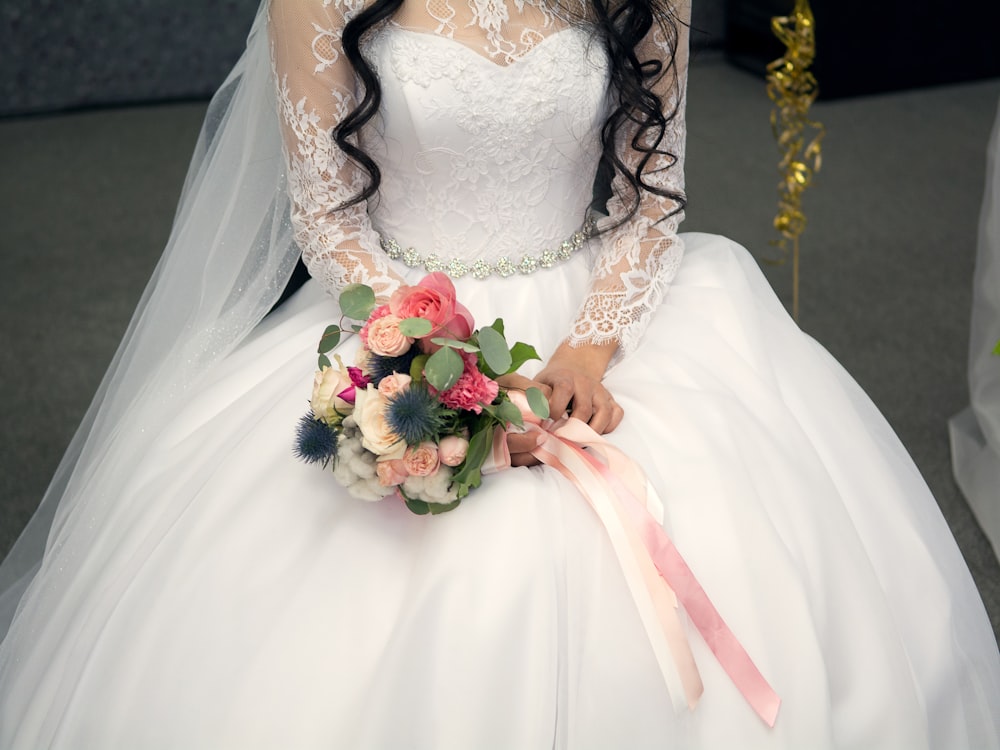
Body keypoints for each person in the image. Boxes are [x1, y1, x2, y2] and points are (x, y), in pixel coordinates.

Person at [1, 0, 999, 746]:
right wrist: (443, 362)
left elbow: (651, 202)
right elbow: (331, 221)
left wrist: (591, 343)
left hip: (594, 312)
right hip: (401, 315)